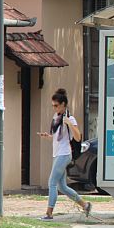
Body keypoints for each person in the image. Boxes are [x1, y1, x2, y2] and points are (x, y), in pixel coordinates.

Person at [37, 89, 92, 220]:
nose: (54, 108)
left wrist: (69, 124)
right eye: (53, 105)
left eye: (56, 105)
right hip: (57, 154)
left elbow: (78, 137)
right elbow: (58, 138)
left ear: (63, 104)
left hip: (65, 154)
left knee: (52, 182)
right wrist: (48, 136)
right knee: (62, 186)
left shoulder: (70, 118)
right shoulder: (56, 118)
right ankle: (85, 205)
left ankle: (49, 213)